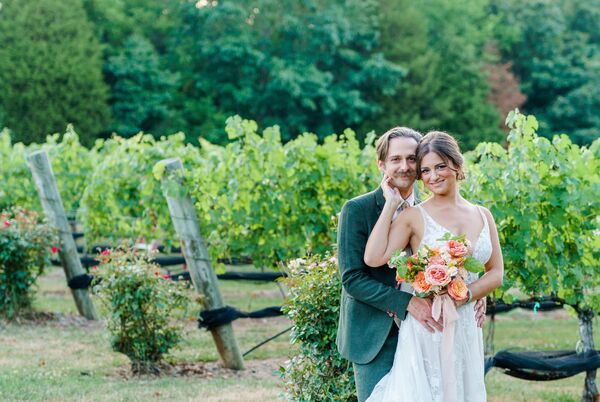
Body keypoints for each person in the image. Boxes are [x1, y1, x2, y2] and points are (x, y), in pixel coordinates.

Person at [336, 127, 486, 402]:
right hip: (375, 335)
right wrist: (407, 303)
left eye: (411, 159)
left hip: (429, 331)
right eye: (395, 159)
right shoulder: (357, 209)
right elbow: (352, 278)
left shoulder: (432, 209)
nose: (404, 166)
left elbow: (468, 256)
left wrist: (474, 290)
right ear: (381, 164)